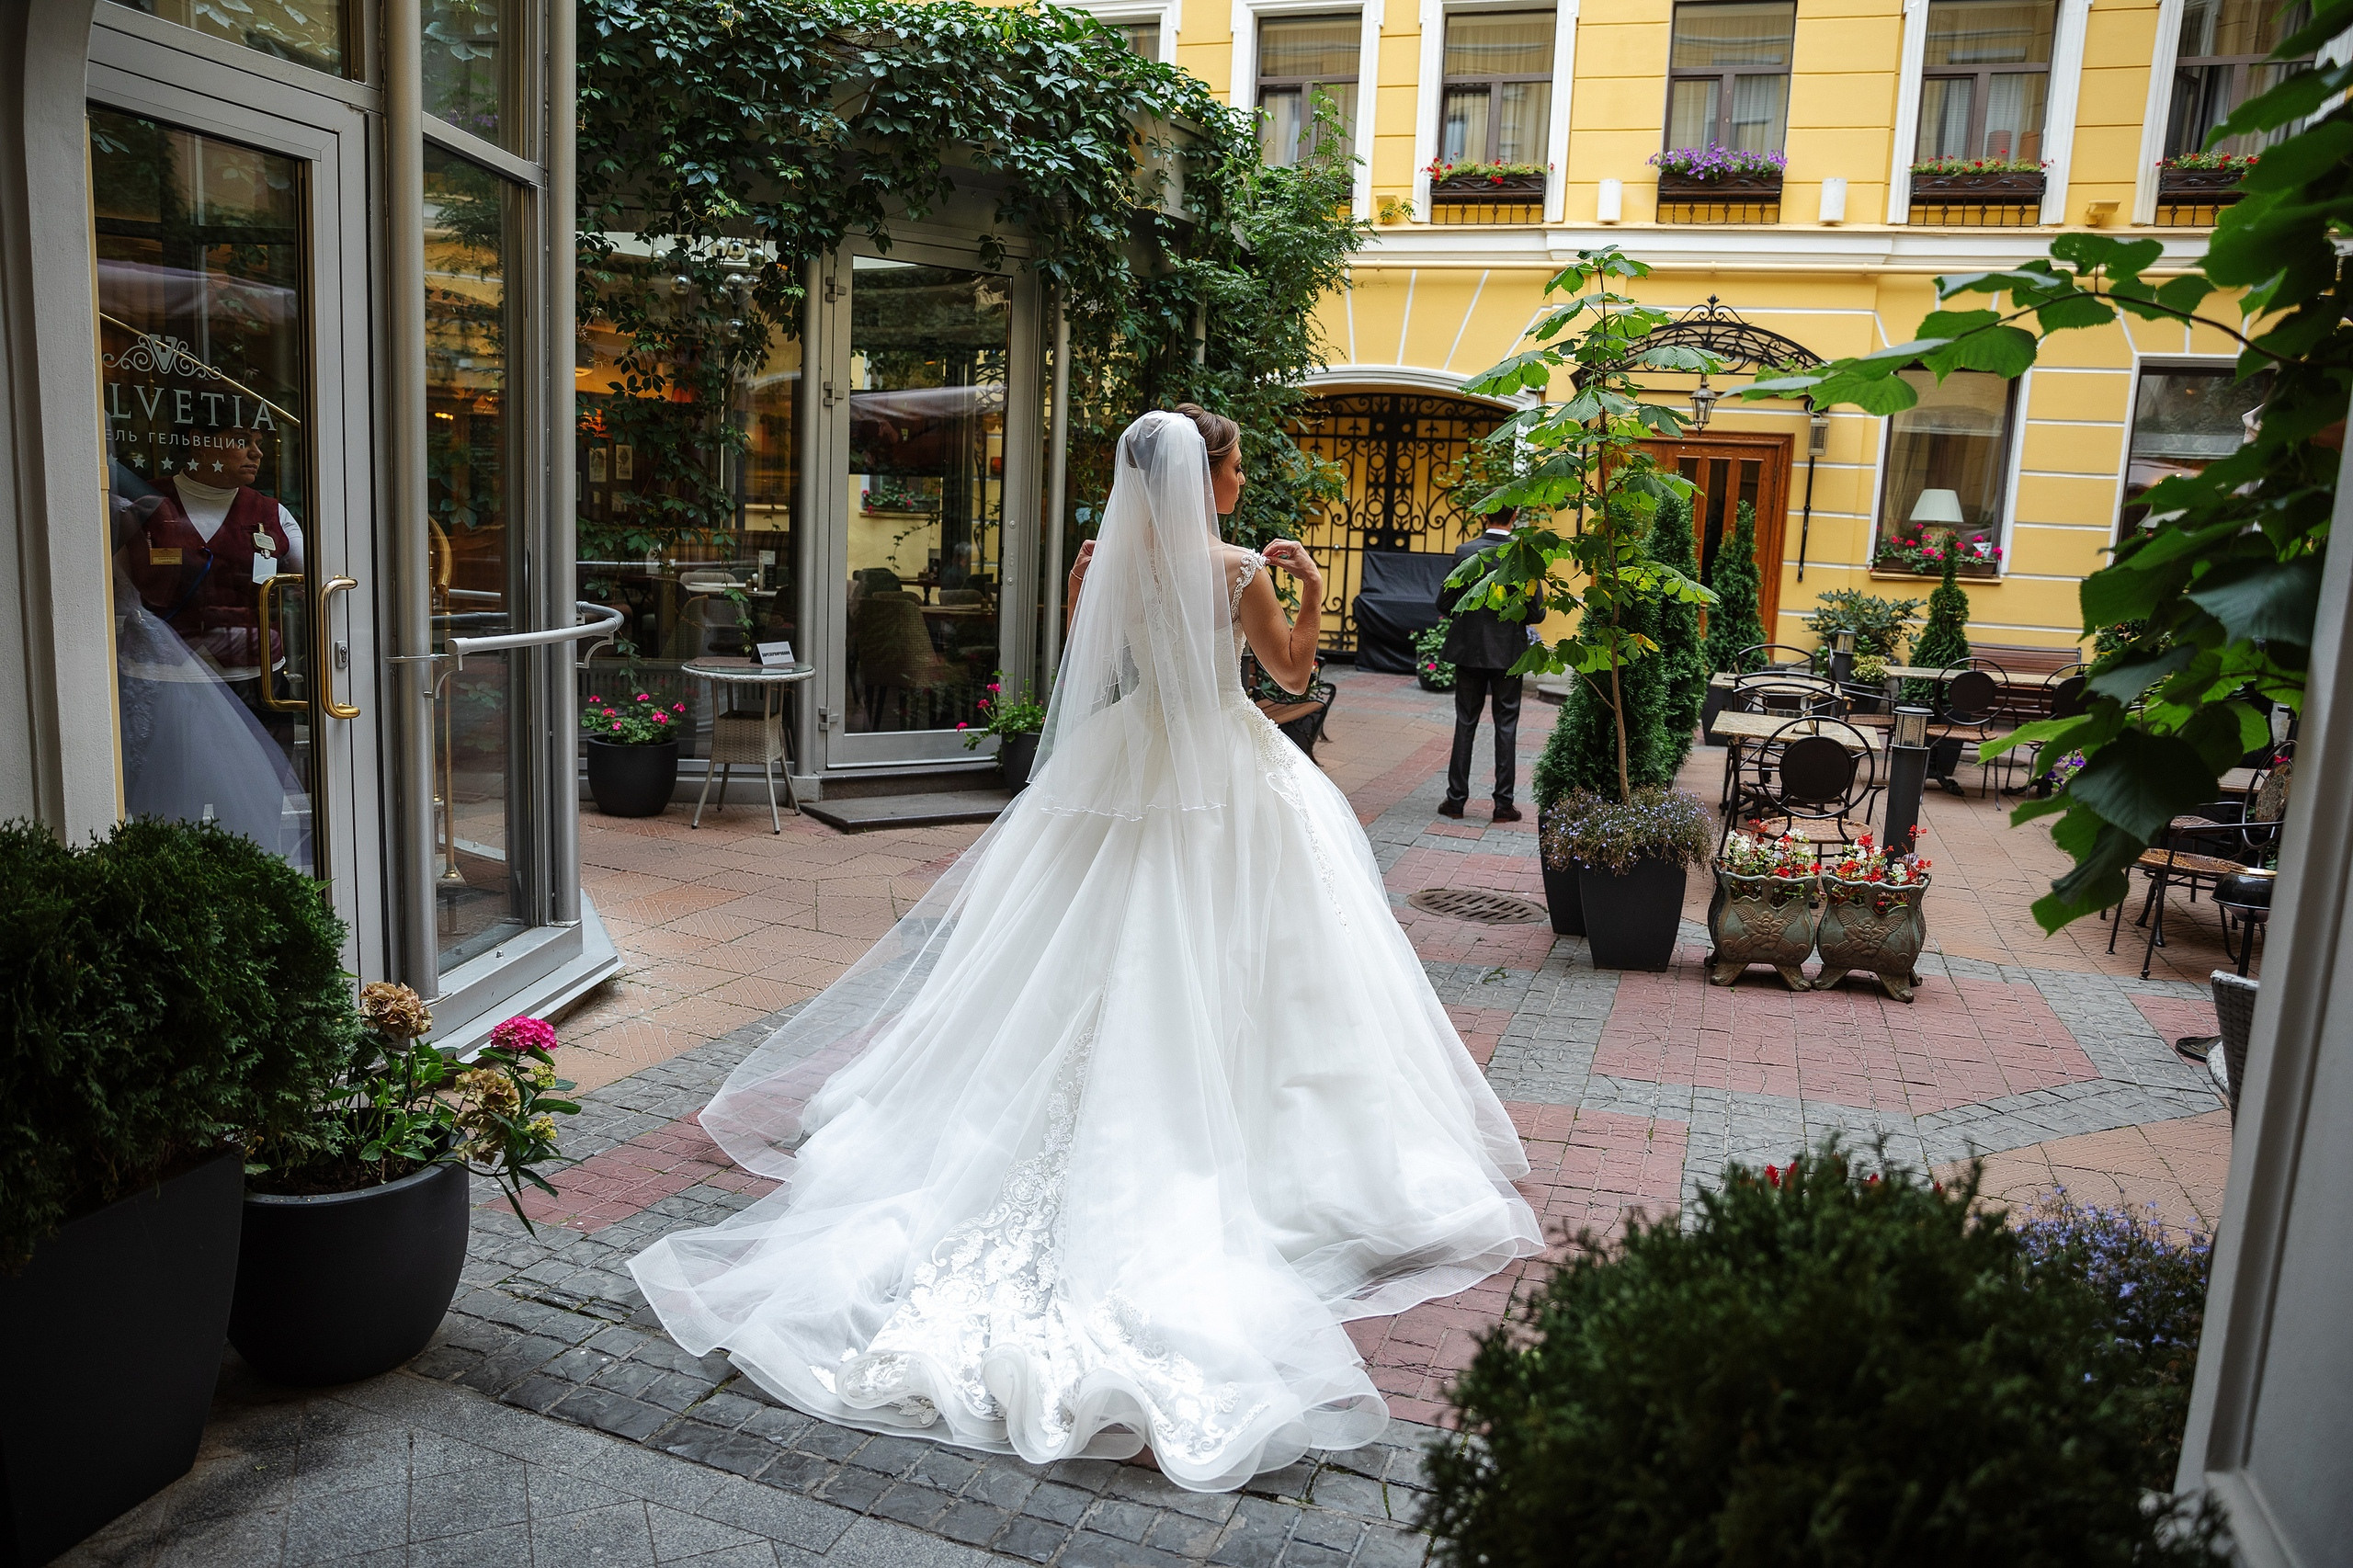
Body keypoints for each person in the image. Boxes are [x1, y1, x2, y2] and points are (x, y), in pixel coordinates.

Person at [631, 406, 1539, 1493]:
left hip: (1124, 760)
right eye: (1236, 462)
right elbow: (1292, 678)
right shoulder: (1237, 562)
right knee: (1243, 965)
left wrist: (1087, 585)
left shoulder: (1109, 556)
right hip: (1224, 778)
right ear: (1213, 472)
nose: (1241, 478)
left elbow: (1085, 658)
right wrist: (1302, 585)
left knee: (1082, 957)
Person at [1436, 508, 1542, 821]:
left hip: (1468, 650)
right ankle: (1503, 805)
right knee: (1506, 725)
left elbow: (1443, 602)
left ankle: (1455, 801)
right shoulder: (1523, 554)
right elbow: (1536, 613)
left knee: (1465, 722)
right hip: (1509, 653)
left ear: (1485, 517)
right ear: (1516, 516)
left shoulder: (1466, 552)